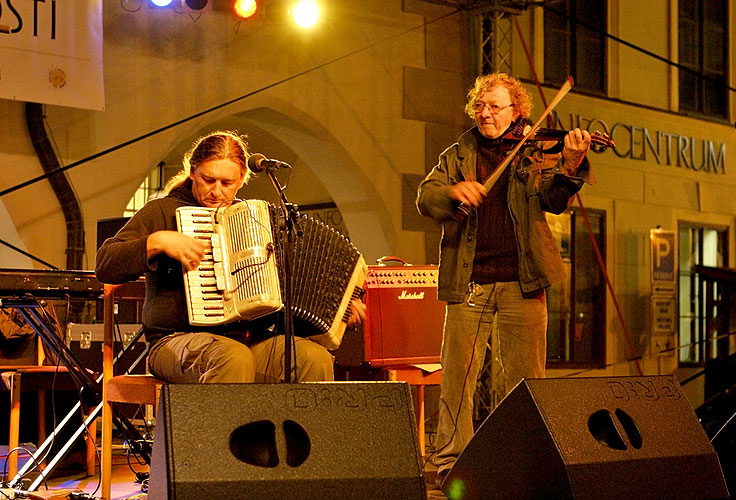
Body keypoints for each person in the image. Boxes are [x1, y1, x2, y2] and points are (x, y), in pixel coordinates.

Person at [415, 73, 592, 486]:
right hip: (469, 280)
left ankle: (525, 462)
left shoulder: (534, 150)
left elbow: (552, 199)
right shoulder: (459, 152)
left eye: (496, 107)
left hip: (522, 280)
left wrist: (569, 163)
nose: (486, 113)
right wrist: (454, 192)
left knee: (525, 381)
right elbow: (425, 197)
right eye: (481, 106)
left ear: (517, 112)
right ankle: (451, 462)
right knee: (458, 378)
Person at [96, 130, 365, 384]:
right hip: (174, 341)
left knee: (313, 358)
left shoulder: (254, 222)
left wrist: (338, 311)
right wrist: (156, 242)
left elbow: (281, 301)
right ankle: (217, 435)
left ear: (242, 179)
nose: (217, 191)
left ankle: (289, 435)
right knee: (233, 358)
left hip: (249, 343)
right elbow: (105, 265)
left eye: (227, 183)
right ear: (192, 172)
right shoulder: (162, 211)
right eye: (208, 180)